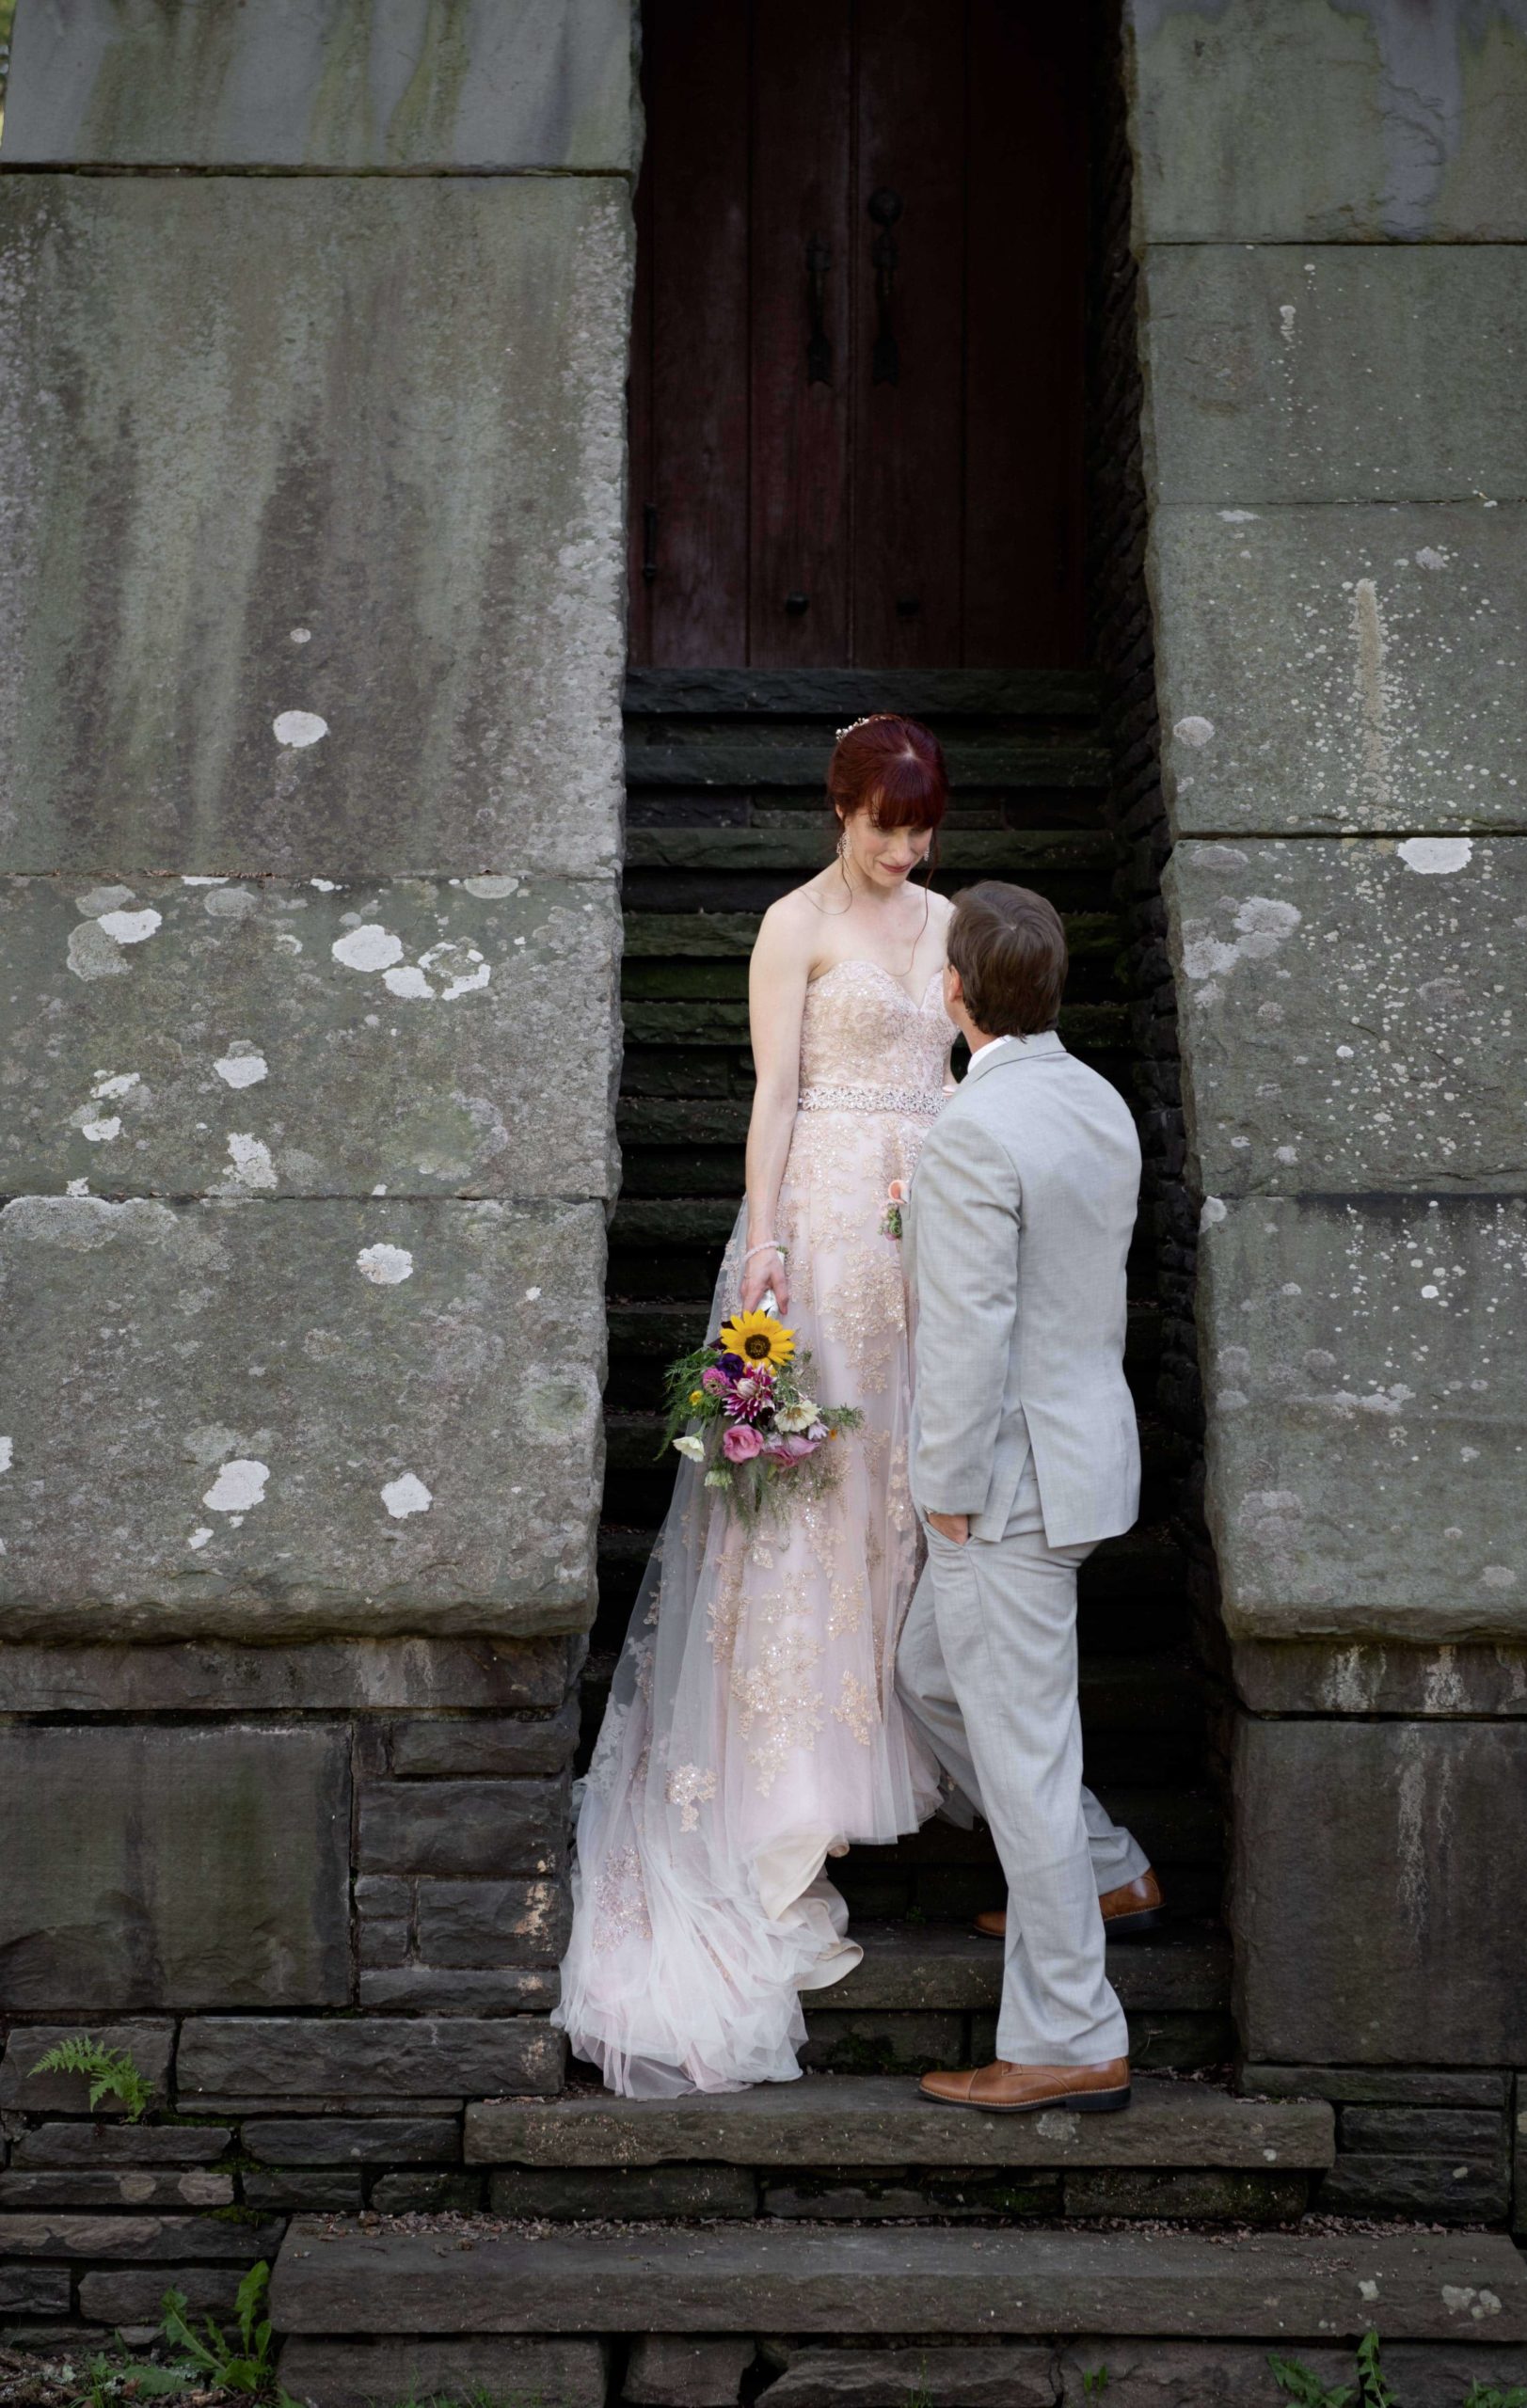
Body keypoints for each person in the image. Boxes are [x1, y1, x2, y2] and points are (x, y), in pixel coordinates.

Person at [555, 714, 952, 2096]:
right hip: (825, 1236)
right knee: (807, 1506)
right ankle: (782, 1813)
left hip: (928, 1235)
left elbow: (963, 1071)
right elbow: (778, 1095)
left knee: (900, 1506)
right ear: (840, 811)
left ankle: (869, 1771)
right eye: (885, 828)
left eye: (921, 830)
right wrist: (767, 1248)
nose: (905, 853)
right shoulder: (793, 926)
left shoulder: (950, 921)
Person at [897, 880, 1161, 2115]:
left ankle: (1067, 2035)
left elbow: (968, 1332)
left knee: (1026, 1767)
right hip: (1077, 1461)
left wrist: (945, 1490)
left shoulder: (972, 1132)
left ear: (954, 989)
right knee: (926, 1675)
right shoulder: (1095, 1099)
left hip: (1001, 1489)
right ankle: (1105, 1869)